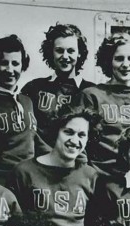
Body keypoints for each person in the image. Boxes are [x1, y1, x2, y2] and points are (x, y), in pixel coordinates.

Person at [7, 105, 101, 226]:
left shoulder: (90, 176)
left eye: (82, 135)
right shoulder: (24, 172)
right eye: (68, 132)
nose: (75, 140)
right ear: (56, 132)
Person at [78, 32, 130, 177]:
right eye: (119, 59)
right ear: (109, 61)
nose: (125, 65)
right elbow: (80, 141)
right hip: (100, 180)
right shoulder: (92, 95)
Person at [0, 35, 43, 185]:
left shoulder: (27, 101)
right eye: (4, 63)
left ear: (22, 66)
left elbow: (35, 140)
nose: (10, 70)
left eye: (15, 63)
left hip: (29, 180)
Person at [22, 23, 95, 151]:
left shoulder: (91, 91)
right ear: (51, 52)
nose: (65, 56)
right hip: (41, 162)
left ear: (79, 53)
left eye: (71, 51)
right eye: (60, 50)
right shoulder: (34, 88)